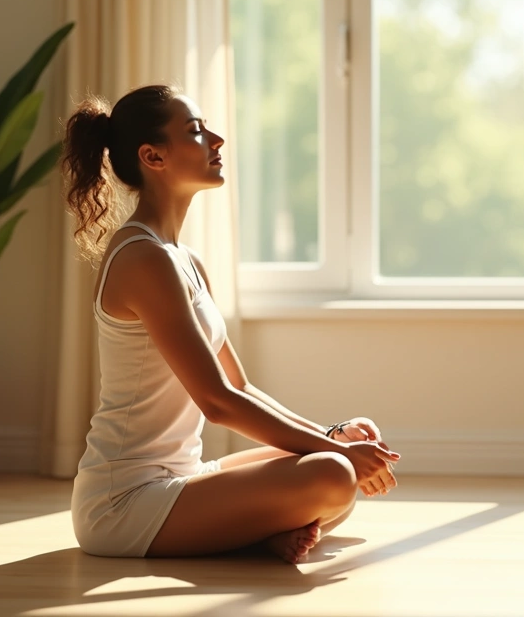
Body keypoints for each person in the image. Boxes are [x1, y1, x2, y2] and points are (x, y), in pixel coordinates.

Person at [61, 84, 400, 562]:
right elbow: (218, 402)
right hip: (124, 503)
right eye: (197, 132)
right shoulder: (143, 258)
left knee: (350, 439)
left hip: (186, 477)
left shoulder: (186, 261)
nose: (217, 140)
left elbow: (240, 385)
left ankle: (260, 533)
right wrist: (340, 457)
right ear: (153, 157)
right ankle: (260, 531)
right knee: (334, 475)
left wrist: (334, 438)